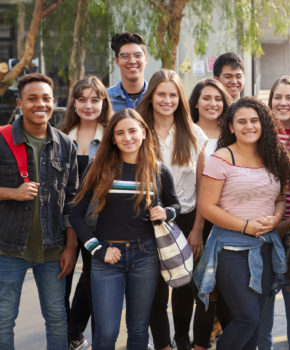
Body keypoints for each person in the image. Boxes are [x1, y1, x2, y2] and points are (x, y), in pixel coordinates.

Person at [69, 109, 180, 349]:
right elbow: (75, 213)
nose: (127, 137)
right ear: (112, 138)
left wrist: (166, 213)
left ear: (143, 132)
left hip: (145, 257)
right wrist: (97, 250)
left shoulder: (158, 169)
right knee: (106, 333)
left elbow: (175, 205)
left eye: (132, 130)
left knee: (139, 330)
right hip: (107, 257)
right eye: (119, 133)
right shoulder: (99, 167)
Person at [194, 97, 290, 350]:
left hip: (266, 246)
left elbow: (280, 199)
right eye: (242, 121)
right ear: (231, 127)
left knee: (254, 324)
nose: (249, 126)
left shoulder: (273, 155)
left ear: (263, 124)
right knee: (248, 318)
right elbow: (206, 207)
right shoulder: (221, 157)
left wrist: (277, 218)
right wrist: (244, 226)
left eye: (254, 120)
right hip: (231, 249)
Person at [0, 73, 79, 350]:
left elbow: (72, 202)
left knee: (57, 318)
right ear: (20, 103)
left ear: (54, 102)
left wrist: (71, 247)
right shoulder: (2, 139)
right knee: (3, 319)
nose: (40, 104)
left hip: (52, 250)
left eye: (46, 98)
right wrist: (13, 193)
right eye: (31, 99)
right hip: (8, 249)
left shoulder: (66, 145)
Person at [137, 69, 207, 350]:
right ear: (151, 96)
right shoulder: (138, 129)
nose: (167, 100)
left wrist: (199, 229)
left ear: (180, 98)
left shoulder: (193, 133)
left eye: (173, 95)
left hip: (187, 219)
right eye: (161, 94)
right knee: (154, 291)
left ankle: (182, 342)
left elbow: (203, 188)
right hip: (146, 220)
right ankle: (163, 344)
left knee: (183, 287)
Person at [257, 76, 290, 350]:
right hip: (264, 226)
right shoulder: (261, 134)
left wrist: (289, 222)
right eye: (277, 97)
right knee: (264, 291)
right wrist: (273, 224)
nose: (283, 103)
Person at [59, 76, 112, 350]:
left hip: (99, 223)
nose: (88, 105)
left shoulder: (113, 137)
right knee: (61, 283)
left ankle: (73, 333)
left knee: (92, 284)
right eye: (82, 99)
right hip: (62, 223)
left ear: (104, 102)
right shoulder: (60, 136)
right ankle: (67, 337)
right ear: (74, 103)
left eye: (95, 99)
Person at [188, 78, 232, 350]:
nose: (212, 103)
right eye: (206, 98)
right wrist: (196, 228)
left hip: (229, 221)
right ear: (195, 102)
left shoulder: (233, 134)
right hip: (195, 220)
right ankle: (199, 343)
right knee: (203, 290)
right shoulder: (188, 133)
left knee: (226, 291)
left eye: (218, 99)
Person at [107, 32, 148, 112]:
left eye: (137, 55)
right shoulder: (105, 99)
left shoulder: (156, 97)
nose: (132, 61)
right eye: (125, 56)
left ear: (145, 59)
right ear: (116, 61)